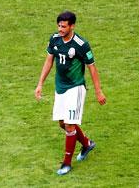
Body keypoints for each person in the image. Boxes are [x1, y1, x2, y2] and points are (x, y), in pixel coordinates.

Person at [35, 11, 106, 176]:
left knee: (69, 125)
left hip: (76, 88)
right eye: (59, 25)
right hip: (60, 87)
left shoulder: (81, 45)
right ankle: (87, 144)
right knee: (62, 123)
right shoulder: (54, 39)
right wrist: (40, 84)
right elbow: (48, 61)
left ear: (72, 26)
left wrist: (98, 91)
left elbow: (92, 68)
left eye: (64, 26)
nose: (60, 29)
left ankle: (67, 163)